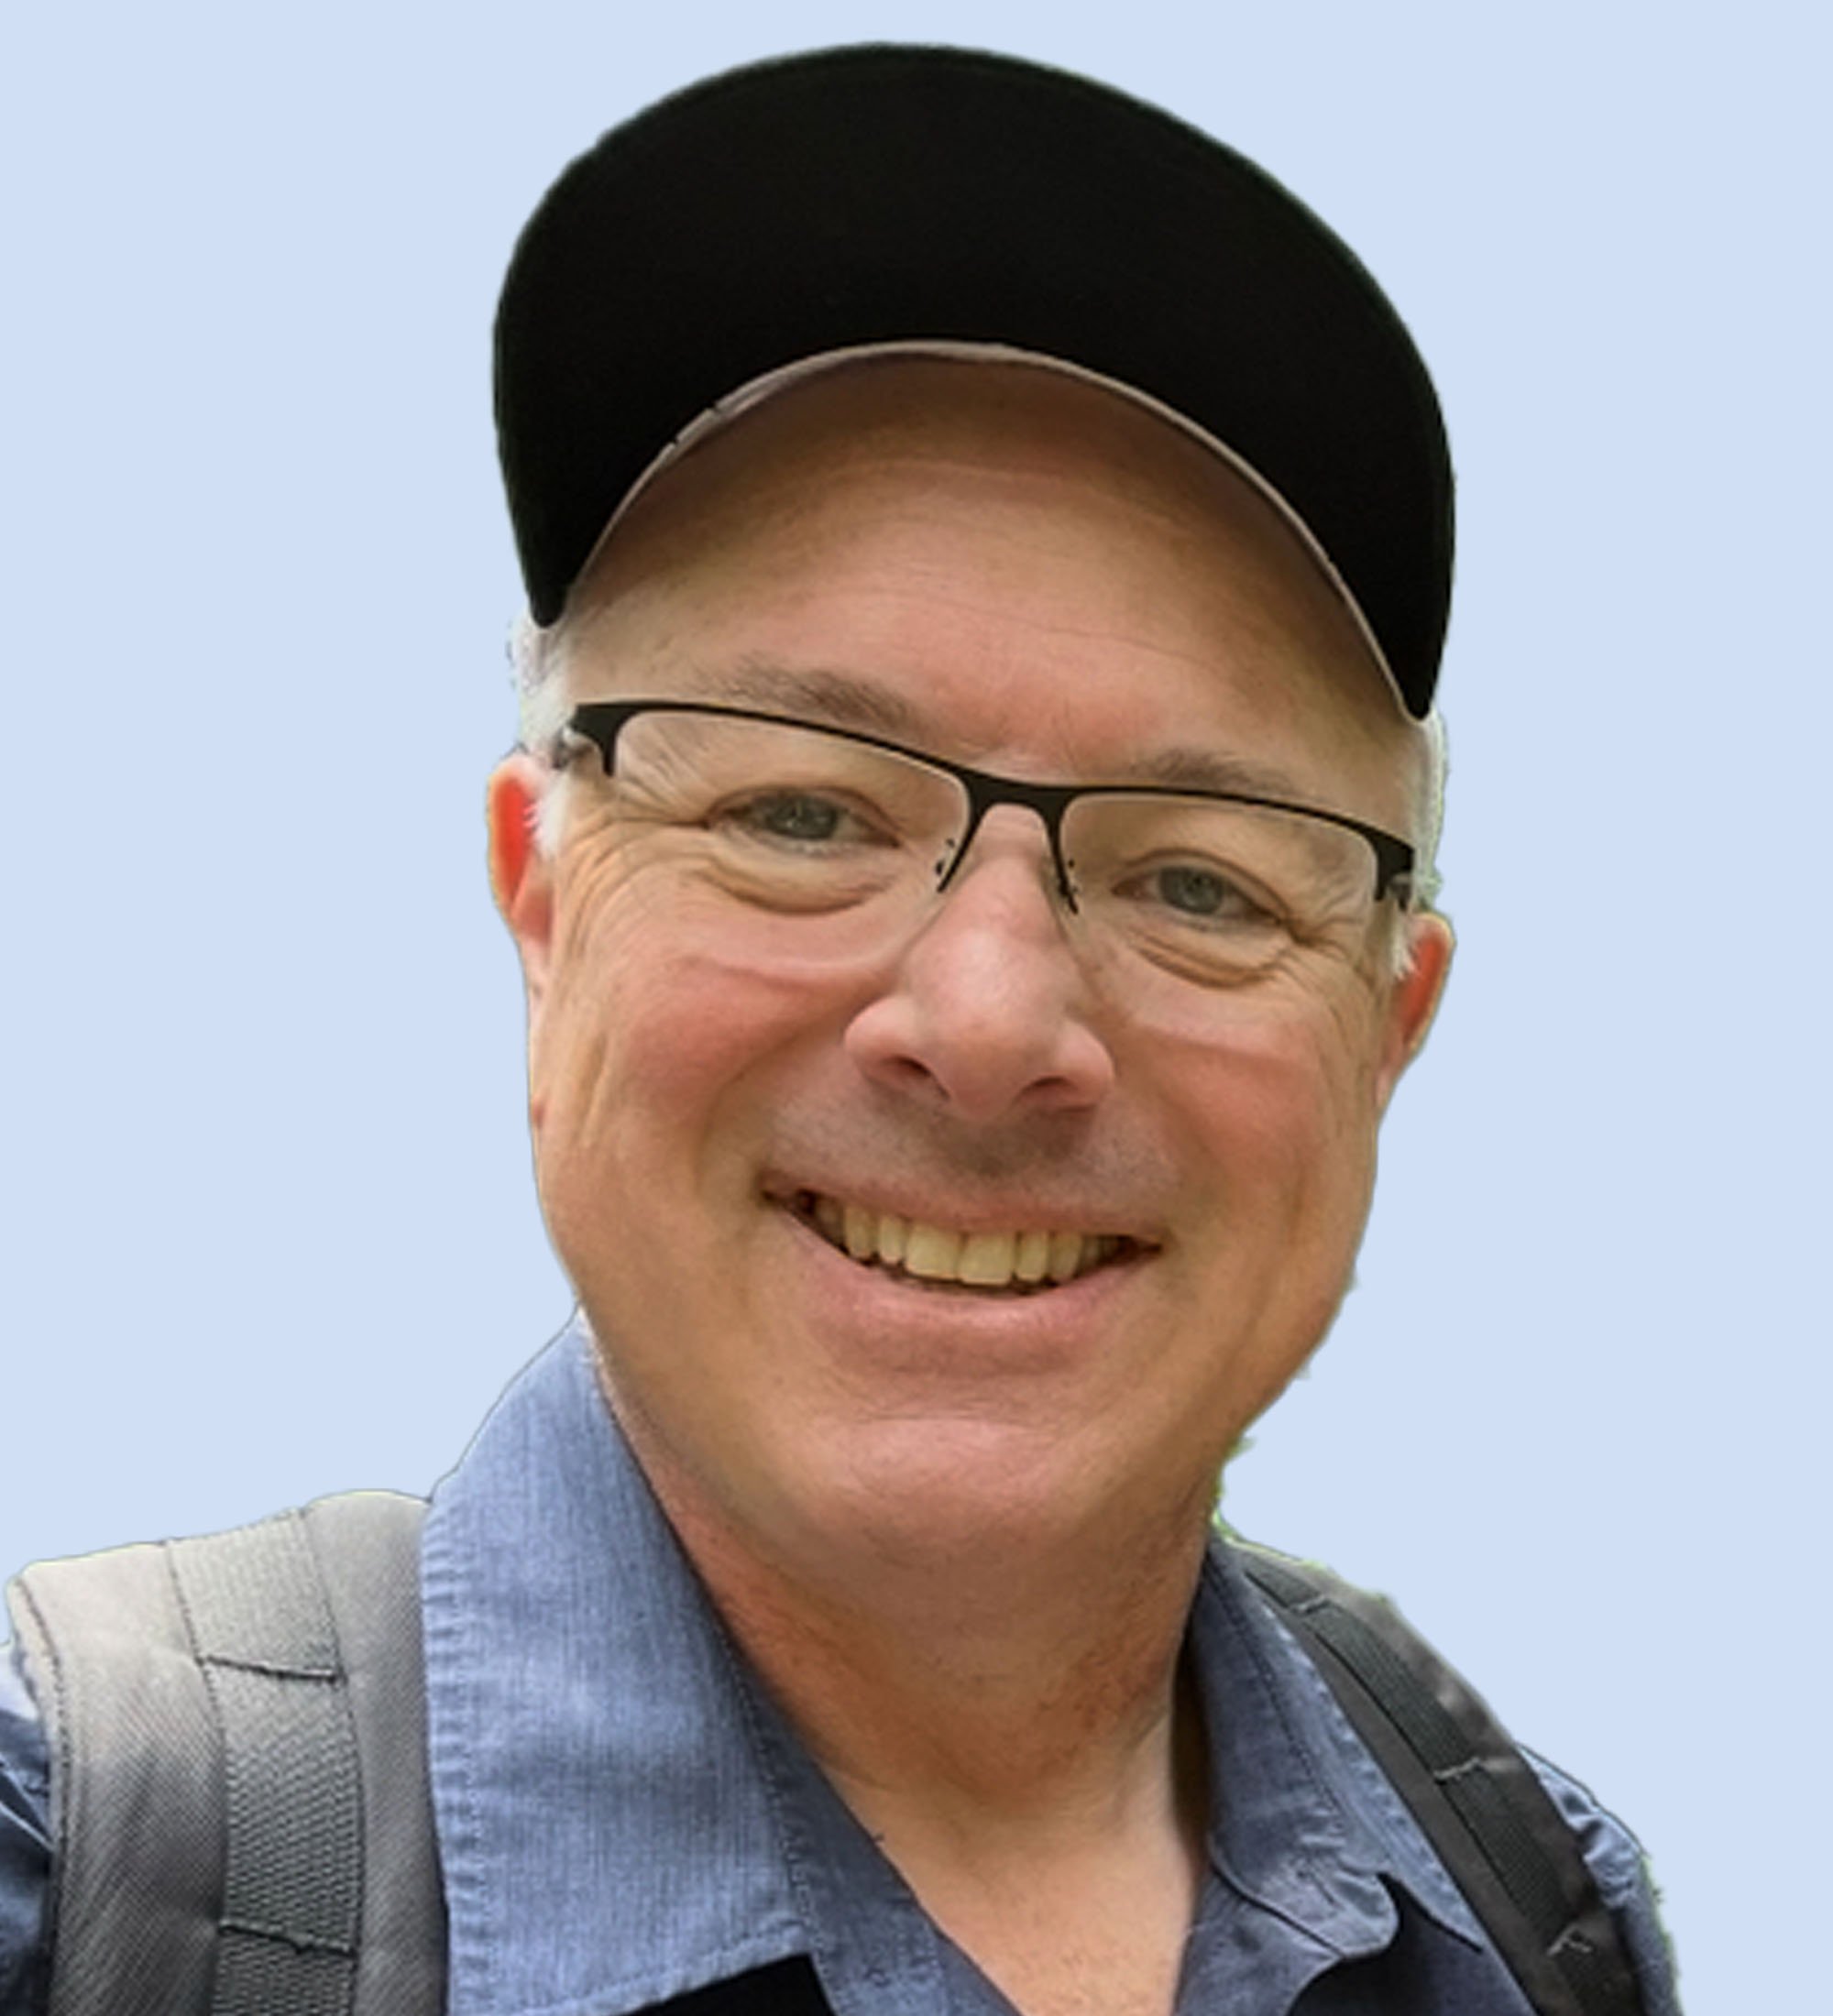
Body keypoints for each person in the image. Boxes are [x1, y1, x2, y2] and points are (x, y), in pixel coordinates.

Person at [0, 43, 1680, 2016]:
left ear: (1388, 1034)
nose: (985, 1021)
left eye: (1201, 879)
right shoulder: (81, 1886)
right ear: (542, 898)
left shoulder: (1535, 1909)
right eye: (800, 810)